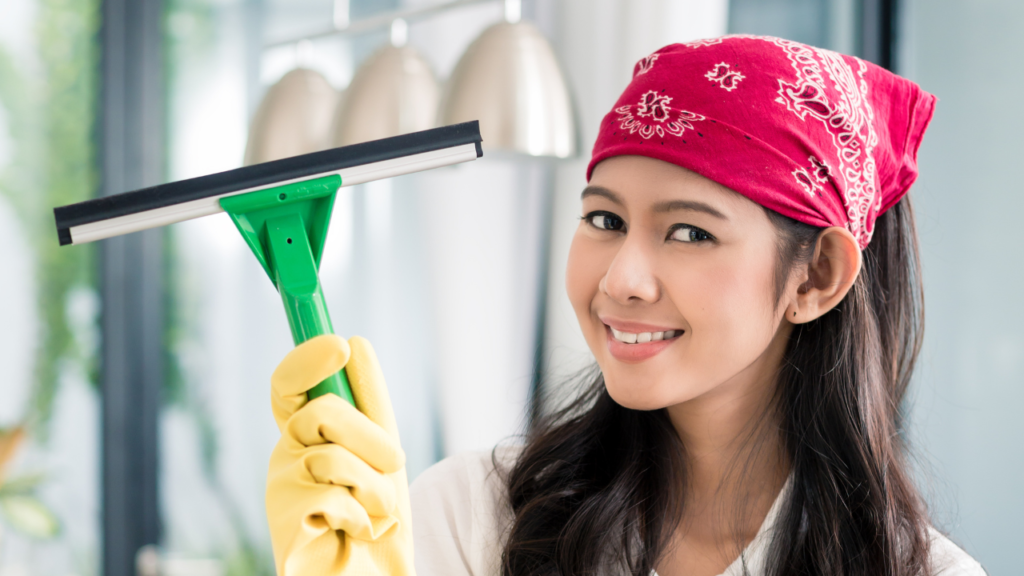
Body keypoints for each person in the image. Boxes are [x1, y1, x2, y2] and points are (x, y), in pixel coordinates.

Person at [263, 36, 986, 576]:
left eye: (690, 232)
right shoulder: (473, 518)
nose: (621, 281)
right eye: (604, 220)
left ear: (816, 277)